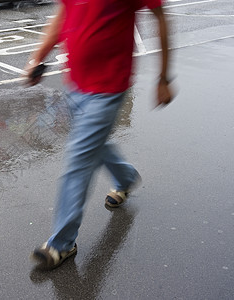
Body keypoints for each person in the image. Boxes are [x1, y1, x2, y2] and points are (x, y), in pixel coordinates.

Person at [25, 0, 173, 270]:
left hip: (108, 86)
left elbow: (161, 17)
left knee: (79, 157)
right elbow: (63, 15)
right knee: (93, 143)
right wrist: (39, 56)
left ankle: (62, 245)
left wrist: (164, 78)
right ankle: (126, 177)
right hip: (76, 83)